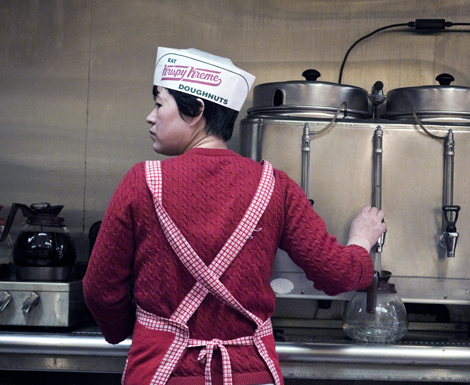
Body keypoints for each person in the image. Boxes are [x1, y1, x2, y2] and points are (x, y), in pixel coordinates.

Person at [83, 47, 387, 385]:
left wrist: (136, 332)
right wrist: (362, 238)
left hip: (161, 369)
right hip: (250, 373)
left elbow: (99, 290)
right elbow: (340, 276)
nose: (150, 117)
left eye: (159, 103)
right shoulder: (275, 187)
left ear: (196, 110)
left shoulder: (142, 182)